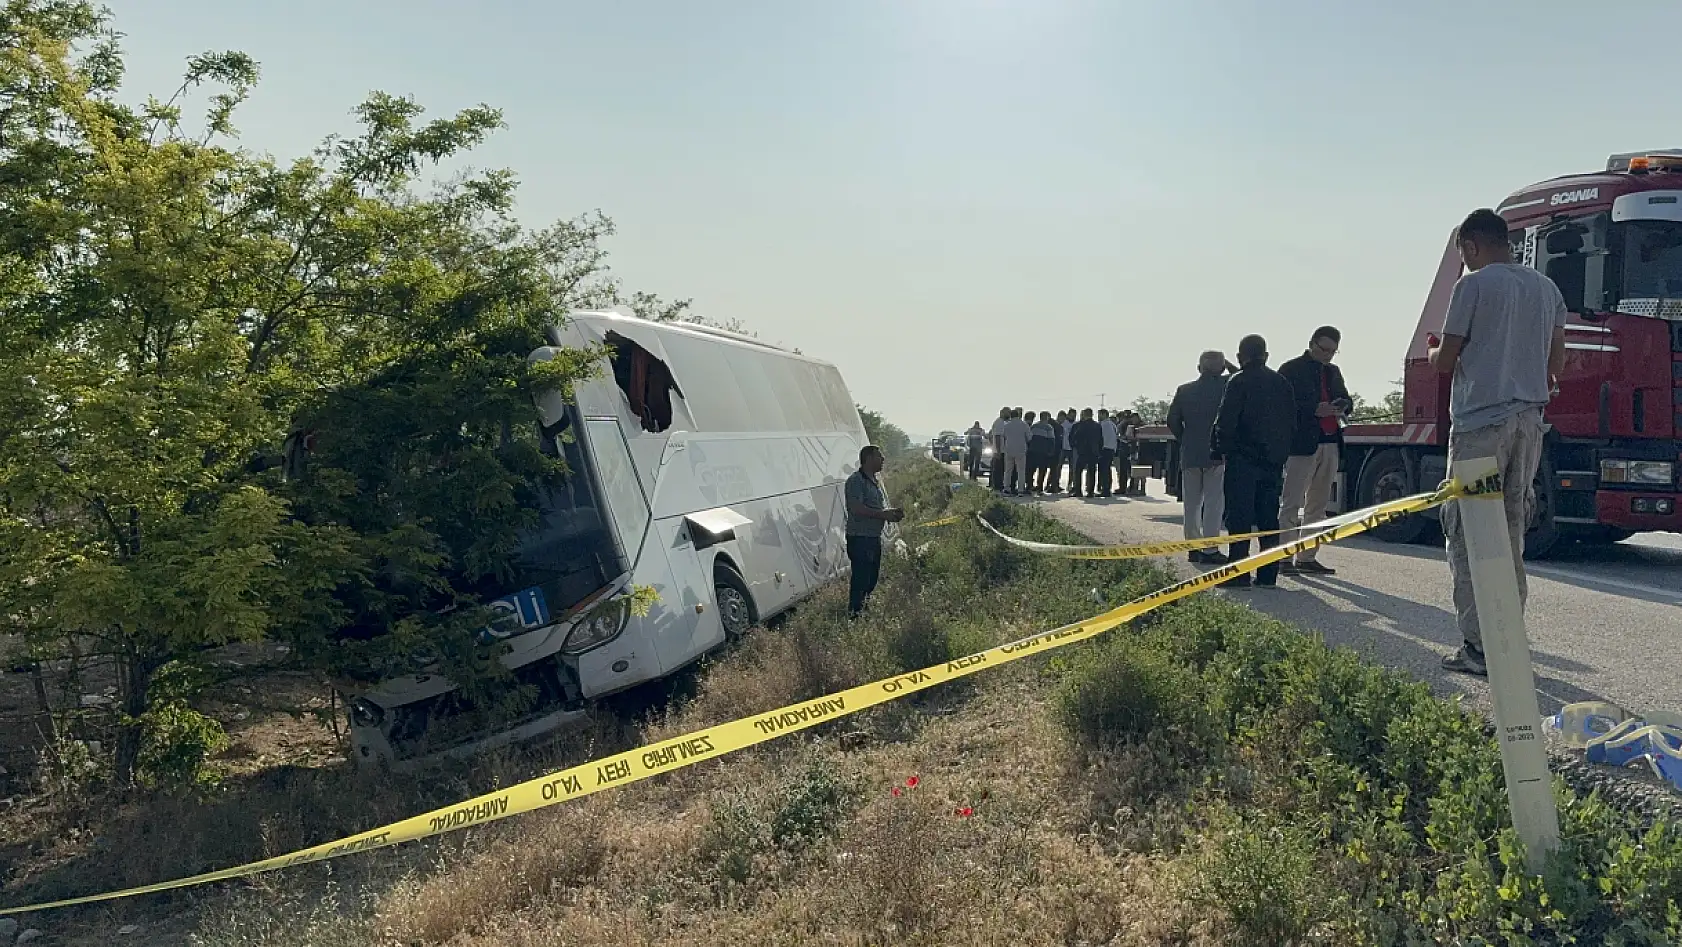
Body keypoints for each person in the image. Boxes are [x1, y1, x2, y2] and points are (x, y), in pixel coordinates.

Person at [1430, 207, 1567, 676]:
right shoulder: (1547, 289)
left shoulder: (1471, 286)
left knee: (1470, 531)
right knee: (1510, 533)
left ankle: (1477, 646)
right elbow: (1556, 364)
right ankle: (1508, 639)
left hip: (1480, 425)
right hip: (1529, 424)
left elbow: (1445, 360)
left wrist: (1433, 350)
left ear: (1471, 246)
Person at [1212, 335, 1295, 588]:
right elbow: (1291, 422)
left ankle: (1238, 573)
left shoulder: (1238, 381)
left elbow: (1226, 421)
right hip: (1272, 462)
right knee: (1268, 518)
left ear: (1240, 357)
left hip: (1242, 459)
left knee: (1240, 518)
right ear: (1266, 356)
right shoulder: (1282, 383)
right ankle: (1268, 574)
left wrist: (1220, 449)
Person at [1277, 327, 1353, 576]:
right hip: (1301, 444)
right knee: (1292, 502)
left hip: (1330, 441)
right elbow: (1280, 406)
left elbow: (1345, 398)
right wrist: (1313, 409)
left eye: (1333, 351)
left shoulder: (1333, 372)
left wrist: (1342, 405)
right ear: (1312, 344)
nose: (1328, 355)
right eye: (1324, 349)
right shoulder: (1291, 369)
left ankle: (1307, 556)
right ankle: (1283, 557)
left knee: (1318, 505)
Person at [1168, 351, 1230, 564]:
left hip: (1190, 452)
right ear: (1222, 368)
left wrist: (1184, 438)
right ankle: (1210, 549)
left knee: (1191, 504)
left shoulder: (1184, 390)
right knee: (1214, 503)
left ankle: (1193, 548)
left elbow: (1172, 420)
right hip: (1216, 453)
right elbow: (1242, 373)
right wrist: (1227, 365)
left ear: (1199, 368)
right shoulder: (1226, 387)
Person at [845, 445, 905, 617]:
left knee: (871, 579)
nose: (883, 459)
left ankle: (863, 611)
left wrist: (890, 513)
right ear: (869, 459)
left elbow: (873, 508)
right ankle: (855, 615)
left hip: (872, 538)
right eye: (879, 456)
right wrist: (882, 514)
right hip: (860, 539)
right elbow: (856, 508)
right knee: (861, 580)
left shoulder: (874, 481)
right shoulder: (856, 481)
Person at [1069, 408, 1103, 498]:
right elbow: (1101, 439)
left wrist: (1075, 446)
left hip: (1083, 451)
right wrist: (1099, 451)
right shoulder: (1097, 425)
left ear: (1084, 415)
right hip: (1093, 452)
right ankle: (1090, 492)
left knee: (1078, 471)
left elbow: (1075, 436)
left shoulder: (1082, 425)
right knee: (1092, 472)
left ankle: (1078, 491)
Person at [1000, 408, 1031, 496]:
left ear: (1011, 415)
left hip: (1009, 449)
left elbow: (1004, 436)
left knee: (1008, 470)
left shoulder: (1006, 425)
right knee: (1021, 471)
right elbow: (1029, 437)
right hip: (1021, 450)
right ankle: (1020, 490)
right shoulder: (1024, 425)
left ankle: (1007, 489)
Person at [1029, 411, 1058, 493]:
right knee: (1042, 470)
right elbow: (1052, 440)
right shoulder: (1049, 427)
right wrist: (1051, 451)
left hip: (1033, 450)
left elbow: (1029, 438)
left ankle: (1030, 485)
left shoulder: (1034, 426)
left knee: (1032, 469)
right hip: (1043, 451)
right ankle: (1040, 487)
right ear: (1047, 418)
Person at [1097, 409, 1119, 497]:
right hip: (1111, 449)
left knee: (1104, 470)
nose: (1098, 416)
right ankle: (1106, 488)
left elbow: (1102, 438)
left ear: (1104, 414)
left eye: (1099, 414)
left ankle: (1105, 490)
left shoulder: (1104, 425)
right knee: (1107, 470)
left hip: (1105, 449)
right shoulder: (1112, 424)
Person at [1046, 410, 1069, 493]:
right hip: (1055, 450)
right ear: (1059, 416)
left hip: (1053, 450)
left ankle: (1052, 485)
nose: (1063, 421)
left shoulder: (1055, 425)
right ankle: (1053, 486)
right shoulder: (1057, 426)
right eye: (1063, 419)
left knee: (1054, 469)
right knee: (1054, 469)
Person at [987, 407, 1010, 490]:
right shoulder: (999, 423)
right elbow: (997, 437)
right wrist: (998, 451)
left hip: (999, 450)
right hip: (1000, 450)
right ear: (1002, 413)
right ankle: (997, 486)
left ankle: (997, 485)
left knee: (999, 469)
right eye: (1008, 413)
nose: (1009, 415)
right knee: (998, 469)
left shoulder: (1002, 422)